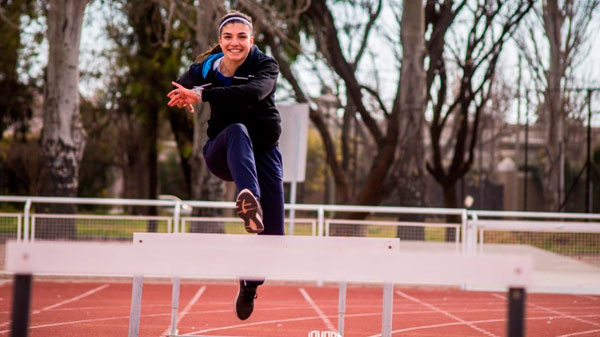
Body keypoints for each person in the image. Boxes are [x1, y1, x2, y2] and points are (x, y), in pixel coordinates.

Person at [166, 11, 284, 321]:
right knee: (236, 129)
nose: (235, 43)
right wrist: (185, 93)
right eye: (229, 37)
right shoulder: (206, 67)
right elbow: (182, 82)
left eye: (242, 37)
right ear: (220, 42)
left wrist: (201, 93)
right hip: (224, 152)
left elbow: (255, 92)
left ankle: (249, 284)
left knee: (274, 238)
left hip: (264, 156)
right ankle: (249, 197)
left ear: (251, 41)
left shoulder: (265, 65)